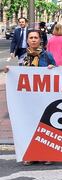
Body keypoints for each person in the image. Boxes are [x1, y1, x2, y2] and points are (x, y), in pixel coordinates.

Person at [5, 29, 56, 166]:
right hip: (28, 98)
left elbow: (58, 73)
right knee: (30, 125)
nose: (33, 40)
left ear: (40, 40)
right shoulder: (23, 56)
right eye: (31, 37)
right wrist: (10, 72)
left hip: (44, 97)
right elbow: (20, 74)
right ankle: (32, 155)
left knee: (45, 125)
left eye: (36, 37)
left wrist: (53, 68)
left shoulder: (47, 55)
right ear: (27, 40)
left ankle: (48, 155)